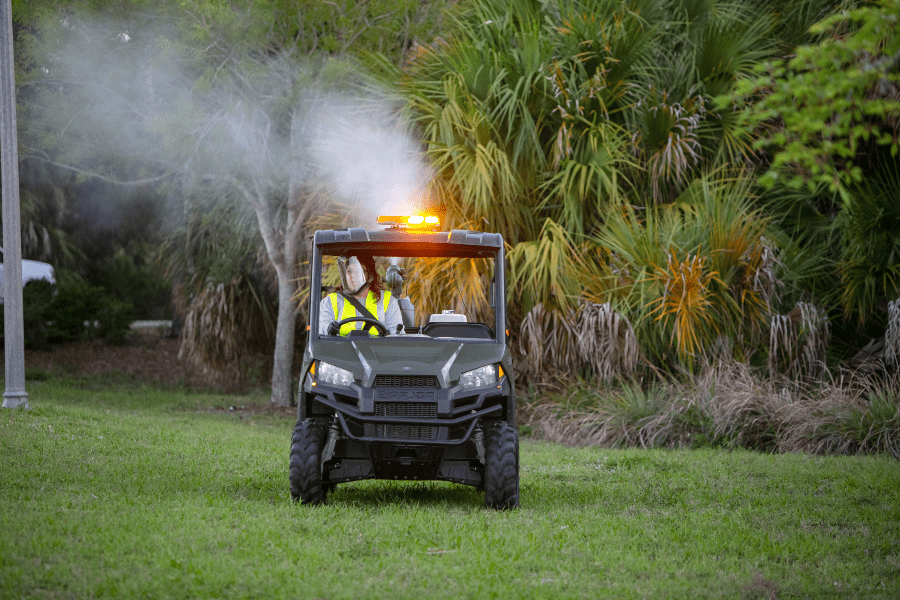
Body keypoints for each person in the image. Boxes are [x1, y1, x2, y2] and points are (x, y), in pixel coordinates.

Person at [318, 253, 405, 336]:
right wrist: (328, 329)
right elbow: (320, 326)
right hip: (340, 350)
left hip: (378, 350)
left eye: (360, 271)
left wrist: (389, 336)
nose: (353, 275)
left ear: (370, 276)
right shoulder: (330, 301)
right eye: (349, 271)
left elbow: (396, 332)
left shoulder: (388, 300)